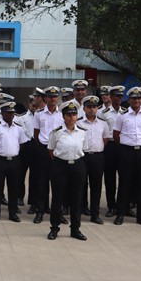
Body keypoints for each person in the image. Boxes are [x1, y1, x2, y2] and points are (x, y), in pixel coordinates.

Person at [46, 101, 88, 241]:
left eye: (74, 114)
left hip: (77, 166)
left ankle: (75, 229)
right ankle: (54, 228)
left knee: (77, 199)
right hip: (60, 166)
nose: (71, 117)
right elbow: (51, 150)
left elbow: (84, 149)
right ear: (63, 116)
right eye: (69, 115)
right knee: (58, 198)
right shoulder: (56, 132)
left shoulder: (82, 132)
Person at [112, 87, 141, 226]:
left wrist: (140, 145)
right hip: (126, 151)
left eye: (139, 98)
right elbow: (116, 135)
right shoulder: (122, 116)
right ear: (129, 100)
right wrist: (126, 146)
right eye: (134, 98)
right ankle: (120, 214)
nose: (136, 101)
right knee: (124, 183)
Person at [0, 101, 25, 222]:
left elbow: (22, 144)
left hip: (14, 161)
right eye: (8, 113)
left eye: (12, 113)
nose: (11, 115)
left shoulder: (18, 128)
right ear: (2, 113)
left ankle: (12, 213)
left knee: (13, 188)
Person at [32, 86, 64, 224]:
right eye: (50, 97)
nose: (52, 99)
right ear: (45, 98)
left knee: (58, 183)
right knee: (42, 182)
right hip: (43, 150)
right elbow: (36, 133)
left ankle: (58, 212)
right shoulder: (39, 114)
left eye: (55, 96)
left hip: (59, 151)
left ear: (58, 98)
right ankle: (40, 211)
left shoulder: (62, 113)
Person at [77, 95, 109, 224]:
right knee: (80, 185)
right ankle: (79, 211)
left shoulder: (103, 123)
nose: (92, 109)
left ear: (97, 108)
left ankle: (95, 214)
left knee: (96, 186)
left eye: (94, 107)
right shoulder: (78, 122)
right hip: (82, 157)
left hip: (97, 156)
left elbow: (105, 139)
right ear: (84, 108)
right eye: (89, 107)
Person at [100, 85, 126, 217]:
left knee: (125, 177)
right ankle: (111, 206)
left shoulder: (126, 112)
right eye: (117, 96)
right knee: (110, 178)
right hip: (109, 146)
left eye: (121, 96)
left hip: (123, 146)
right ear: (111, 97)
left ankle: (123, 206)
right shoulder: (103, 113)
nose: (119, 98)